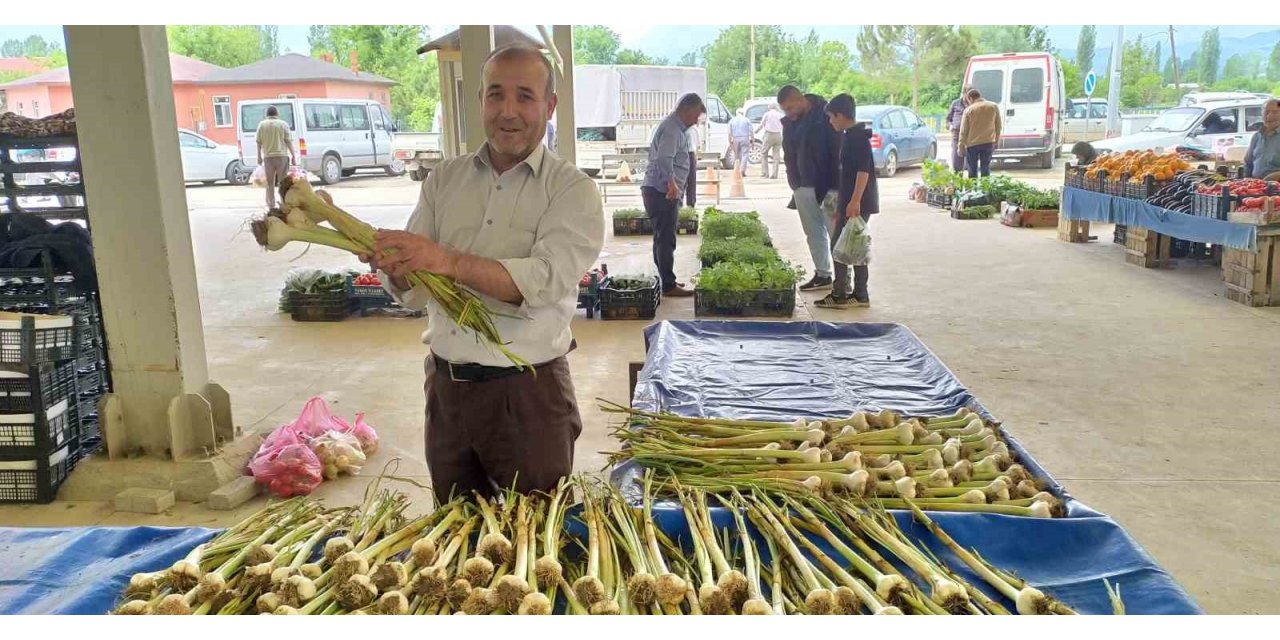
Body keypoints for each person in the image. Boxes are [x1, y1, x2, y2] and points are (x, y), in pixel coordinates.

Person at [367, 45, 605, 503]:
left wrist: (445, 260)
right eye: (496, 95)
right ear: (479, 101)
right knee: (458, 542)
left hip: (528, 397)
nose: (508, 111)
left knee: (538, 544)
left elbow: (543, 280)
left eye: (525, 96)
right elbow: (413, 294)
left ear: (549, 105)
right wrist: (395, 268)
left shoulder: (573, 190)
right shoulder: (444, 181)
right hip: (446, 393)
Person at [817, 94, 878, 310]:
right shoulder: (850, 135)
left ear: (841, 115)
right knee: (854, 245)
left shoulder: (858, 138)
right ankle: (860, 293)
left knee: (840, 246)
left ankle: (840, 293)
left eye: (832, 118)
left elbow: (863, 172)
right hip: (851, 201)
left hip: (858, 201)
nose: (831, 122)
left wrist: (854, 201)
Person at [779, 85, 841, 291]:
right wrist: (794, 183)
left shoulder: (826, 115)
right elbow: (788, 154)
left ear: (800, 100)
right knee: (813, 232)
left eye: (789, 108)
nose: (787, 113)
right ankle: (823, 274)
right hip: (802, 186)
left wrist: (835, 184)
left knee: (836, 234)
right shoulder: (790, 122)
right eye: (784, 110)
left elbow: (836, 152)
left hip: (829, 186)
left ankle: (844, 280)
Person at [642, 93, 704, 297]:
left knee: (661, 237)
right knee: (666, 238)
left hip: (659, 190)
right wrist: (672, 184)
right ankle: (668, 285)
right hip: (662, 192)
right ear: (686, 110)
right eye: (695, 115)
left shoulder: (676, 128)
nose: (696, 121)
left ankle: (666, 279)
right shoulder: (672, 129)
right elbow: (663, 159)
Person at [256, 106, 296, 209]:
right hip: (282, 157)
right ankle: (284, 204)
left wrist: (259, 157)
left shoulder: (261, 125)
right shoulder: (283, 124)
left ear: (267, 114)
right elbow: (288, 141)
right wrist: (293, 155)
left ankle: (271, 206)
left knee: (269, 183)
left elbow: (258, 143)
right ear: (277, 114)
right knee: (283, 183)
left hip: (268, 158)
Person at [958, 88, 1001, 179]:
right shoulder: (993, 106)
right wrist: (996, 141)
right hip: (988, 142)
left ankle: (973, 191)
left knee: (972, 169)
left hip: (972, 144)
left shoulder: (969, 110)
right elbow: (998, 126)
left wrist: (960, 146)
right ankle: (985, 190)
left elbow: (963, 130)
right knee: (985, 168)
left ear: (970, 98)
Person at [1244, 100, 1280, 180]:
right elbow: (1248, 163)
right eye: (1266, 112)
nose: (1269, 116)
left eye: (1275, 112)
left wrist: (1275, 176)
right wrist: (1245, 180)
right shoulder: (1257, 136)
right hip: (1255, 187)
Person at [756, 104, 785, 179]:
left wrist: (756, 131)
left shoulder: (767, 114)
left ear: (769, 107)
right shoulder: (780, 115)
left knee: (763, 153)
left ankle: (765, 173)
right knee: (776, 155)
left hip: (769, 135)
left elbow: (761, 124)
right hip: (778, 135)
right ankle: (775, 174)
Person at [945, 87, 971, 172]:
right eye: (968, 94)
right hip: (957, 135)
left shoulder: (974, 104)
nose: (969, 97)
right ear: (963, 94)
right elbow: (948, 119)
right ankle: (958, 182)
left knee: (970, 163)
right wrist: (950, 126)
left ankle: (971, 183)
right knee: (957, 161)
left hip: (970, 136)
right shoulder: (955, 103)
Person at [729, 108, 754, 178]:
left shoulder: (732, 120)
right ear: (743, 113)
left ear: (736, 113)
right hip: (745, 138)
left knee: (736, 155)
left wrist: (730, 142)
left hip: (735, 139)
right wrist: (753, 141)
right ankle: (742, 171)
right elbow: (751, 131)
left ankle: (737, 170)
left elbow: (729, 132)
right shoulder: (747, 120)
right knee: (745, 155)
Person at [685, 116, 701, 208]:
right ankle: (691, 203)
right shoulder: (695, 129)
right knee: (691, 181)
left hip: (684, 154)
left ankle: (679, 202)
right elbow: (698, 146)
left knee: (683, 180)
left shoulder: (684, 128)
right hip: (692, 154)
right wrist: (696, 158)